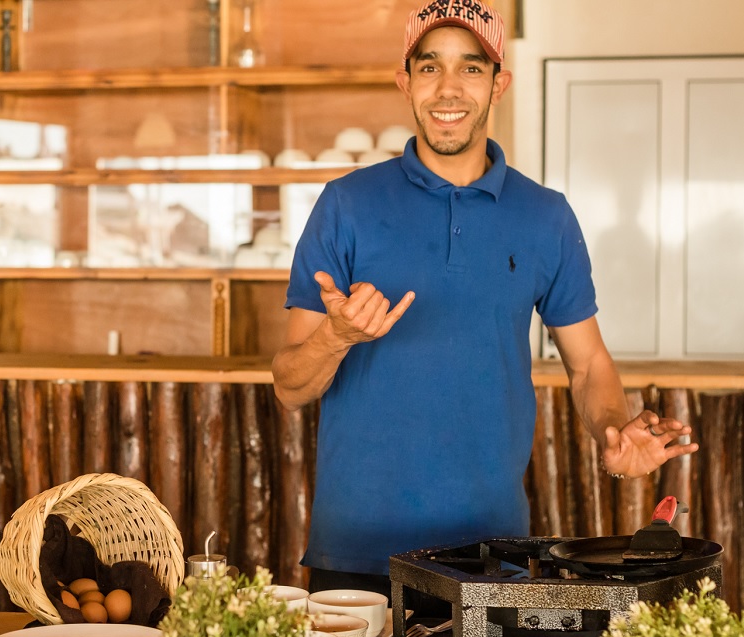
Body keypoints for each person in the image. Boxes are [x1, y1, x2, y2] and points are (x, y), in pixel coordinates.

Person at [271, 0, 698, 603]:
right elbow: (290, 385)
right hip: (357, 553)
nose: (449, 89)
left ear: (500, 83)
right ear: (406, 82)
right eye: (430, 68)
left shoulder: (546, 217)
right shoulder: (345, 205)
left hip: (492, 557)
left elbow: (589, 364)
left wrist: (611, 430)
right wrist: (336, 336)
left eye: (471, 68)